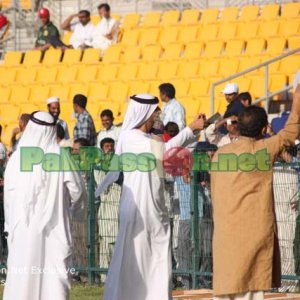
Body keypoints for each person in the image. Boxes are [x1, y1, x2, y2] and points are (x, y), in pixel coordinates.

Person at [95, 93, 206, 300]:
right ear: (145, 113)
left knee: (154, 256)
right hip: (140, 206)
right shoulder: (131, 137)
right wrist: (190, 128)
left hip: (152, 205)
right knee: (136, 257)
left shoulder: (145, 137)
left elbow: (164, 159)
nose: (159, 115)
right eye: (156, 111)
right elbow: (161, 153)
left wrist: (189, 132)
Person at [211, 85, 300, 300]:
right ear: (263, 130)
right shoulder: (263, 150)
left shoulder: (220, 154)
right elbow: (290, 132)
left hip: (225, 238)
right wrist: (296, 103)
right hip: (252, 237)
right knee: (250, 290)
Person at [3, 111, 86, 300]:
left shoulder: (16, 158)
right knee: (53, 283)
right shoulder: (60, 156)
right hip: (54, 231)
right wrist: (73, 212)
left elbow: (8, 197)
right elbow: (78, 190)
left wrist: (10, 225)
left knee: (23, 280)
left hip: (23, 230)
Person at [94, 137, 122, 283]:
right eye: (106, 146)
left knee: (118, 246)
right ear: (102, 148)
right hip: (106, 211)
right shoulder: (98, 166)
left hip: (119, 210)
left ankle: (117, 277)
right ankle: (105, 278)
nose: (109, 149)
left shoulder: (120, 164)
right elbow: (102, 185)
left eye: (111, 146)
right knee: (106, 246)